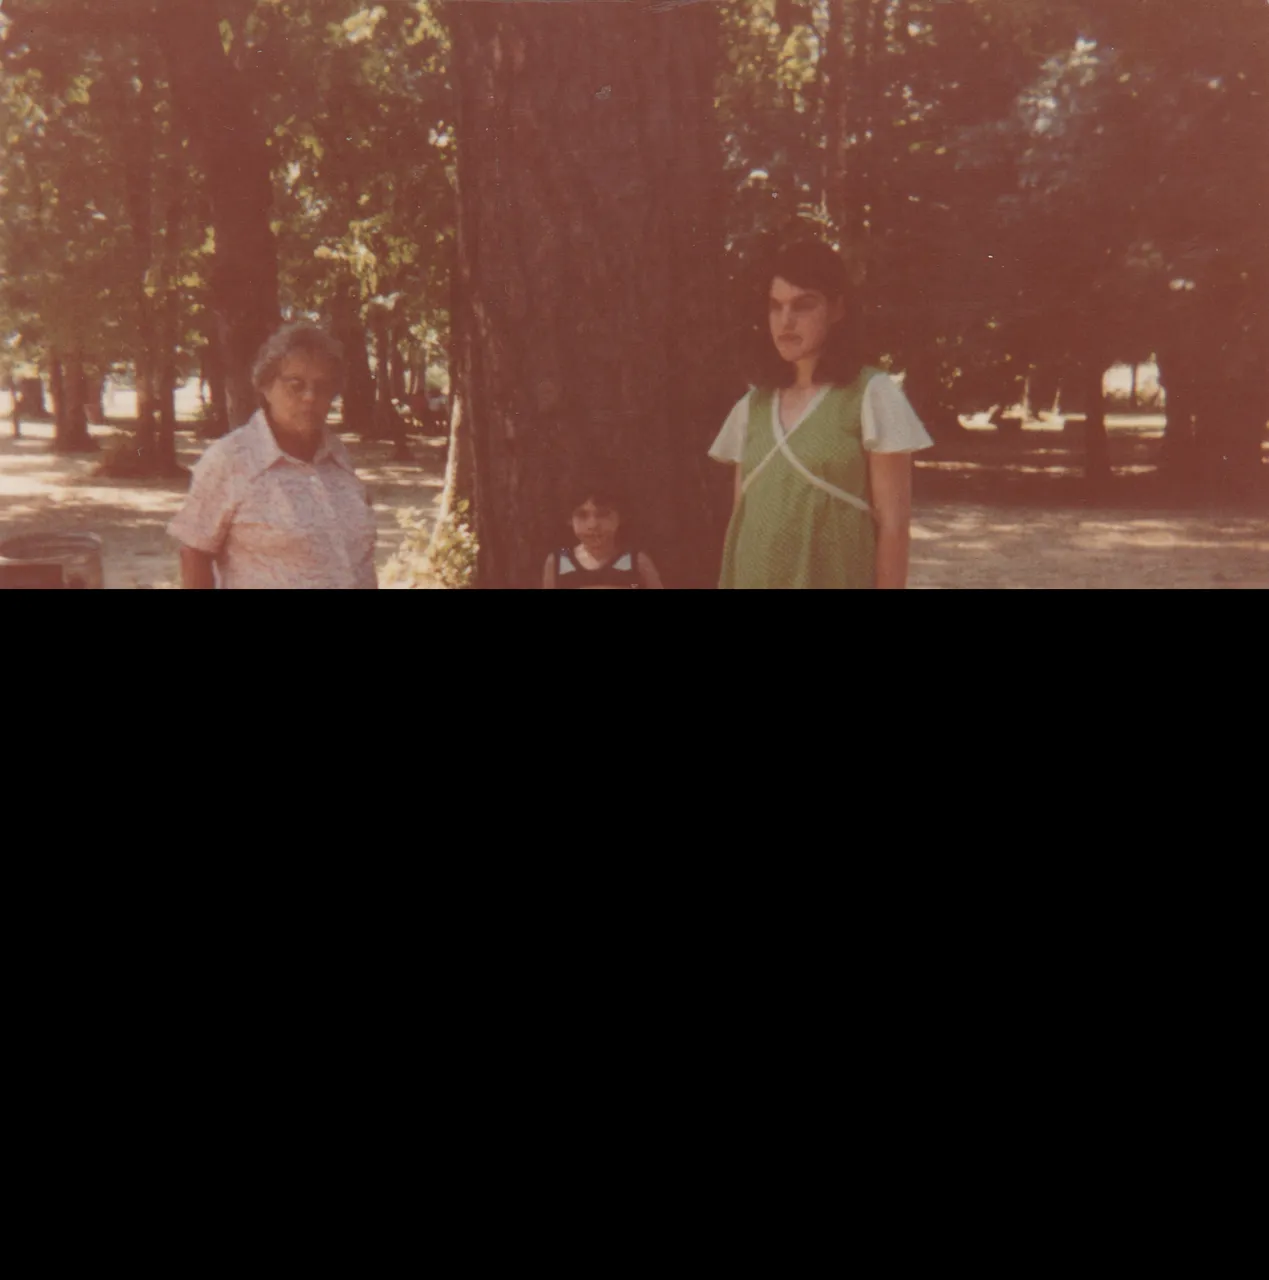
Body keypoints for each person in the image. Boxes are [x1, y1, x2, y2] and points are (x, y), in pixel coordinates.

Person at [709, 240, 933, 589]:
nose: (786, 321)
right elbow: (743, 519)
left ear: (837, 309)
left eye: (803, 305)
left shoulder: (871, 394)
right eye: (775, 306)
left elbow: (894, 525)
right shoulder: (752, 405)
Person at [169, 324, 377, 589]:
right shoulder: (230, 459)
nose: (310, 397)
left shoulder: (339, 459)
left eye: (322, 386)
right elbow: (195, 552)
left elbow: (359, 562)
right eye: (295, 385)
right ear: (266, 386)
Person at [542, 479, 664, 589]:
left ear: (621, 517)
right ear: (569, 519)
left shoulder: (636, 562)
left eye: (603, 514)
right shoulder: (558, 562)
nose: (593, 525)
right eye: (582, 515)